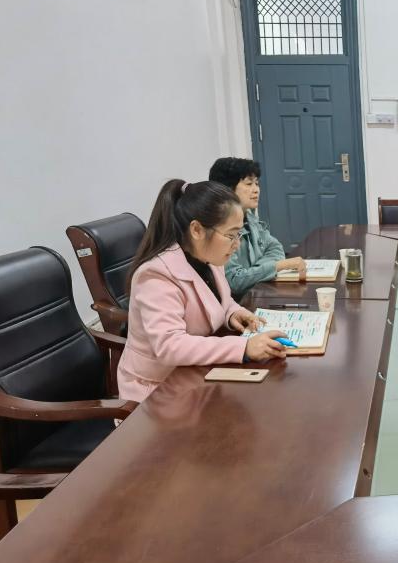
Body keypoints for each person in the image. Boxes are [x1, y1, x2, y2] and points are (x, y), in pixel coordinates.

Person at [118, 179, 288, 401]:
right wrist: (244, 347)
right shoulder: (156, 275)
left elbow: (219, 300)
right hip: (157, 391)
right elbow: (170, 346)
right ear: (197, 230)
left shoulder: (208, 258)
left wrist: (233, 313)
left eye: (239, 234)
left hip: (196, 376)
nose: (237, 244)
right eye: (231, 235)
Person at [208, 157, 307, 298]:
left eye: (257, 183)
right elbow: (235, 282)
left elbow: (275, 248)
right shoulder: (219, 228)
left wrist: (253, 273)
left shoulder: (249, 217)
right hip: (238, 303)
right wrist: (277, 266)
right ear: (228, 188)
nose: (256, 190)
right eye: (249, 184)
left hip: (257, 293)